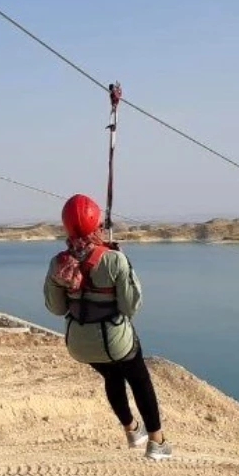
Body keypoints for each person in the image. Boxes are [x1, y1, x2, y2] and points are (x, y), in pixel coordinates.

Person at [43, 194, 170, 460]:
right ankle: (157, 443)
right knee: (139, 380)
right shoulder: (113, 259)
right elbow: (131, 306)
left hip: (79, 343)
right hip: (115, 340)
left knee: (112, 376)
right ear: (97, 224)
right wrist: (119, 260)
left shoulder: (58, 264)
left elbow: (56, 308)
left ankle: (132, 430)